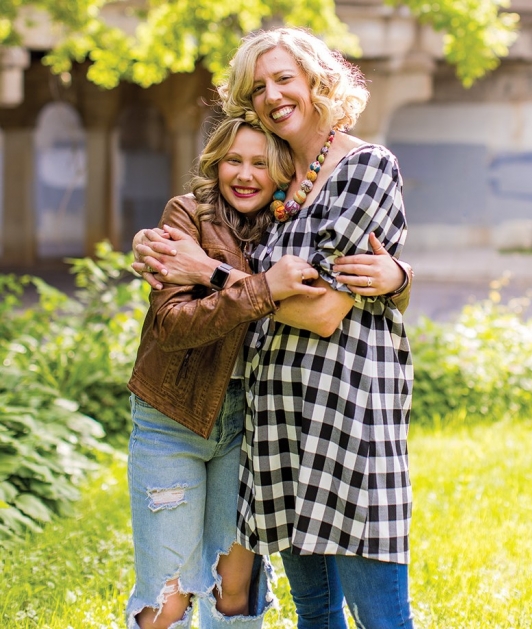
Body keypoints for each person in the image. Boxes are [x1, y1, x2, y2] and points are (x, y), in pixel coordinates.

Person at [133, 26, 415, 629]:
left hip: (345, 411)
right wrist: (164, 248)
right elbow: (215, 247)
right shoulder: (278, 184)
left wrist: (204, 271)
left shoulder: (363, 166)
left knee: (378, 610)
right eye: (257, 86)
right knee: (312, 609)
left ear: (316, 79)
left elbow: (321, 309)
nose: (272, 94)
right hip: (275, 415)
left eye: (284, 77)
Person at [126, 117, 327, 629]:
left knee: (233, 591)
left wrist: (400, 278)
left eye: (260, 162)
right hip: (172, 417)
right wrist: (263, 289)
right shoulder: (187, 215)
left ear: (282, 170)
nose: (244, 174)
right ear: (215, 164)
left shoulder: (292, 225)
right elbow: (172, 324)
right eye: (233, 160)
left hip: (252, 422)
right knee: (167, 594)